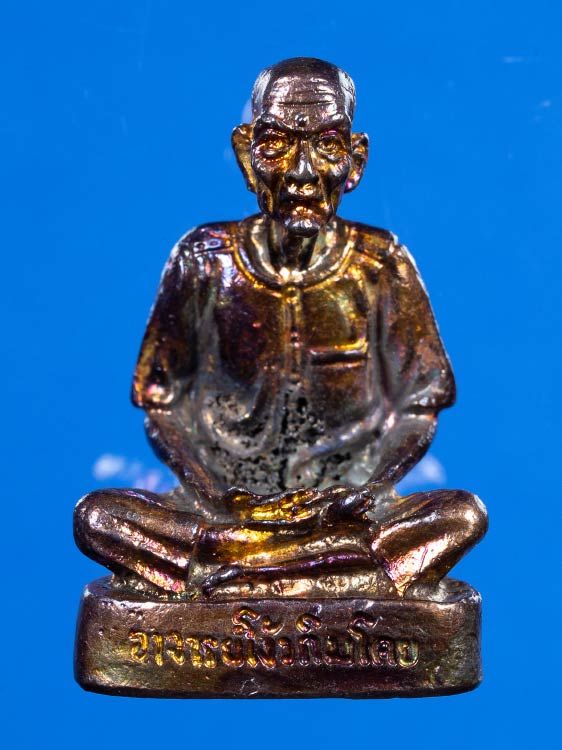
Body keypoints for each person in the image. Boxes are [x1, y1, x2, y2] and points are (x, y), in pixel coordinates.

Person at [74, 58, 487, 599]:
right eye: (276, 145)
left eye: (328, 145)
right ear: (246, 155)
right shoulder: (205, 260)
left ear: (356, 161)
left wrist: (367, 491)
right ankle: (320, 572)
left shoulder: (380, 264)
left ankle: (247, 574)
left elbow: (418, 405)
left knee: (462, 515)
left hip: (342, 515)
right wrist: (218, 496)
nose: (302, 173)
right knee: (99, 518)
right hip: (229, 514)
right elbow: (163, 403)